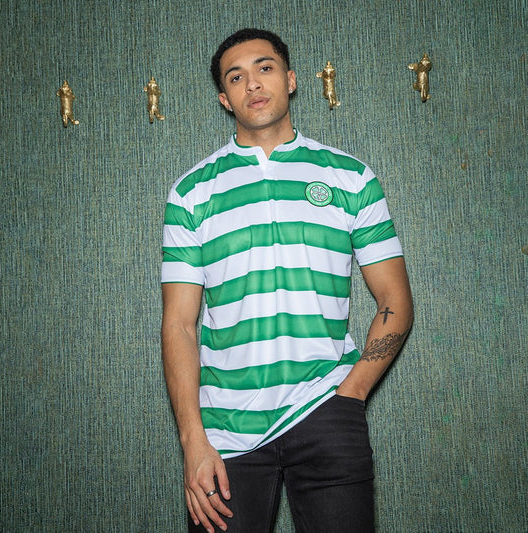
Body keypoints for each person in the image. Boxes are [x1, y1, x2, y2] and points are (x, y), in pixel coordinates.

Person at [161, 28, 413, 533]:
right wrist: (193, 441)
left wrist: (351, 394)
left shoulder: (351, 178)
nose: (253, 83)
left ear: (291, 80)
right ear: (224, 98)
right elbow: (180, 326)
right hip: (224, 433)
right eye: (236, 77)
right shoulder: (190, 193)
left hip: (327, 411)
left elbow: (395, 301)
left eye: (265, 68)